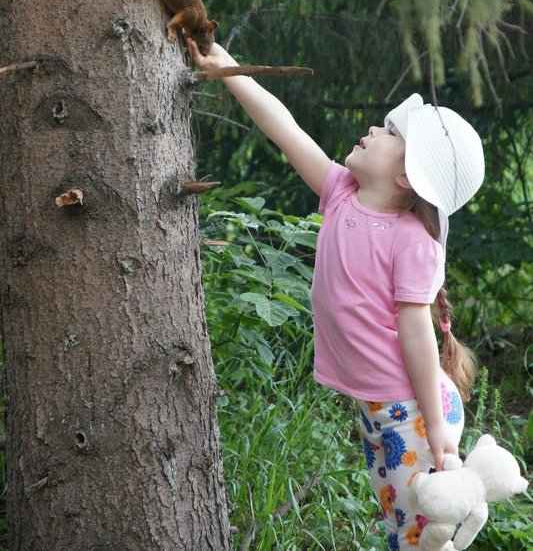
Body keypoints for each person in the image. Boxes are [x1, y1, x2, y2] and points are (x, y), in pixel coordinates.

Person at [187, 38, 485, 551]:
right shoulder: (341, 190)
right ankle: (468, 506)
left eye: (391, 132)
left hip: (414, 411)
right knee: (406, 524)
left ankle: (464, 500)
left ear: (406, 176)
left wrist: (435, 427)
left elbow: (415, 330)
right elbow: (286, 131)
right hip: (382, 410)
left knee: (416, 537)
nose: (374, 128)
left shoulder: (413, 241)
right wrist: (231, 68)